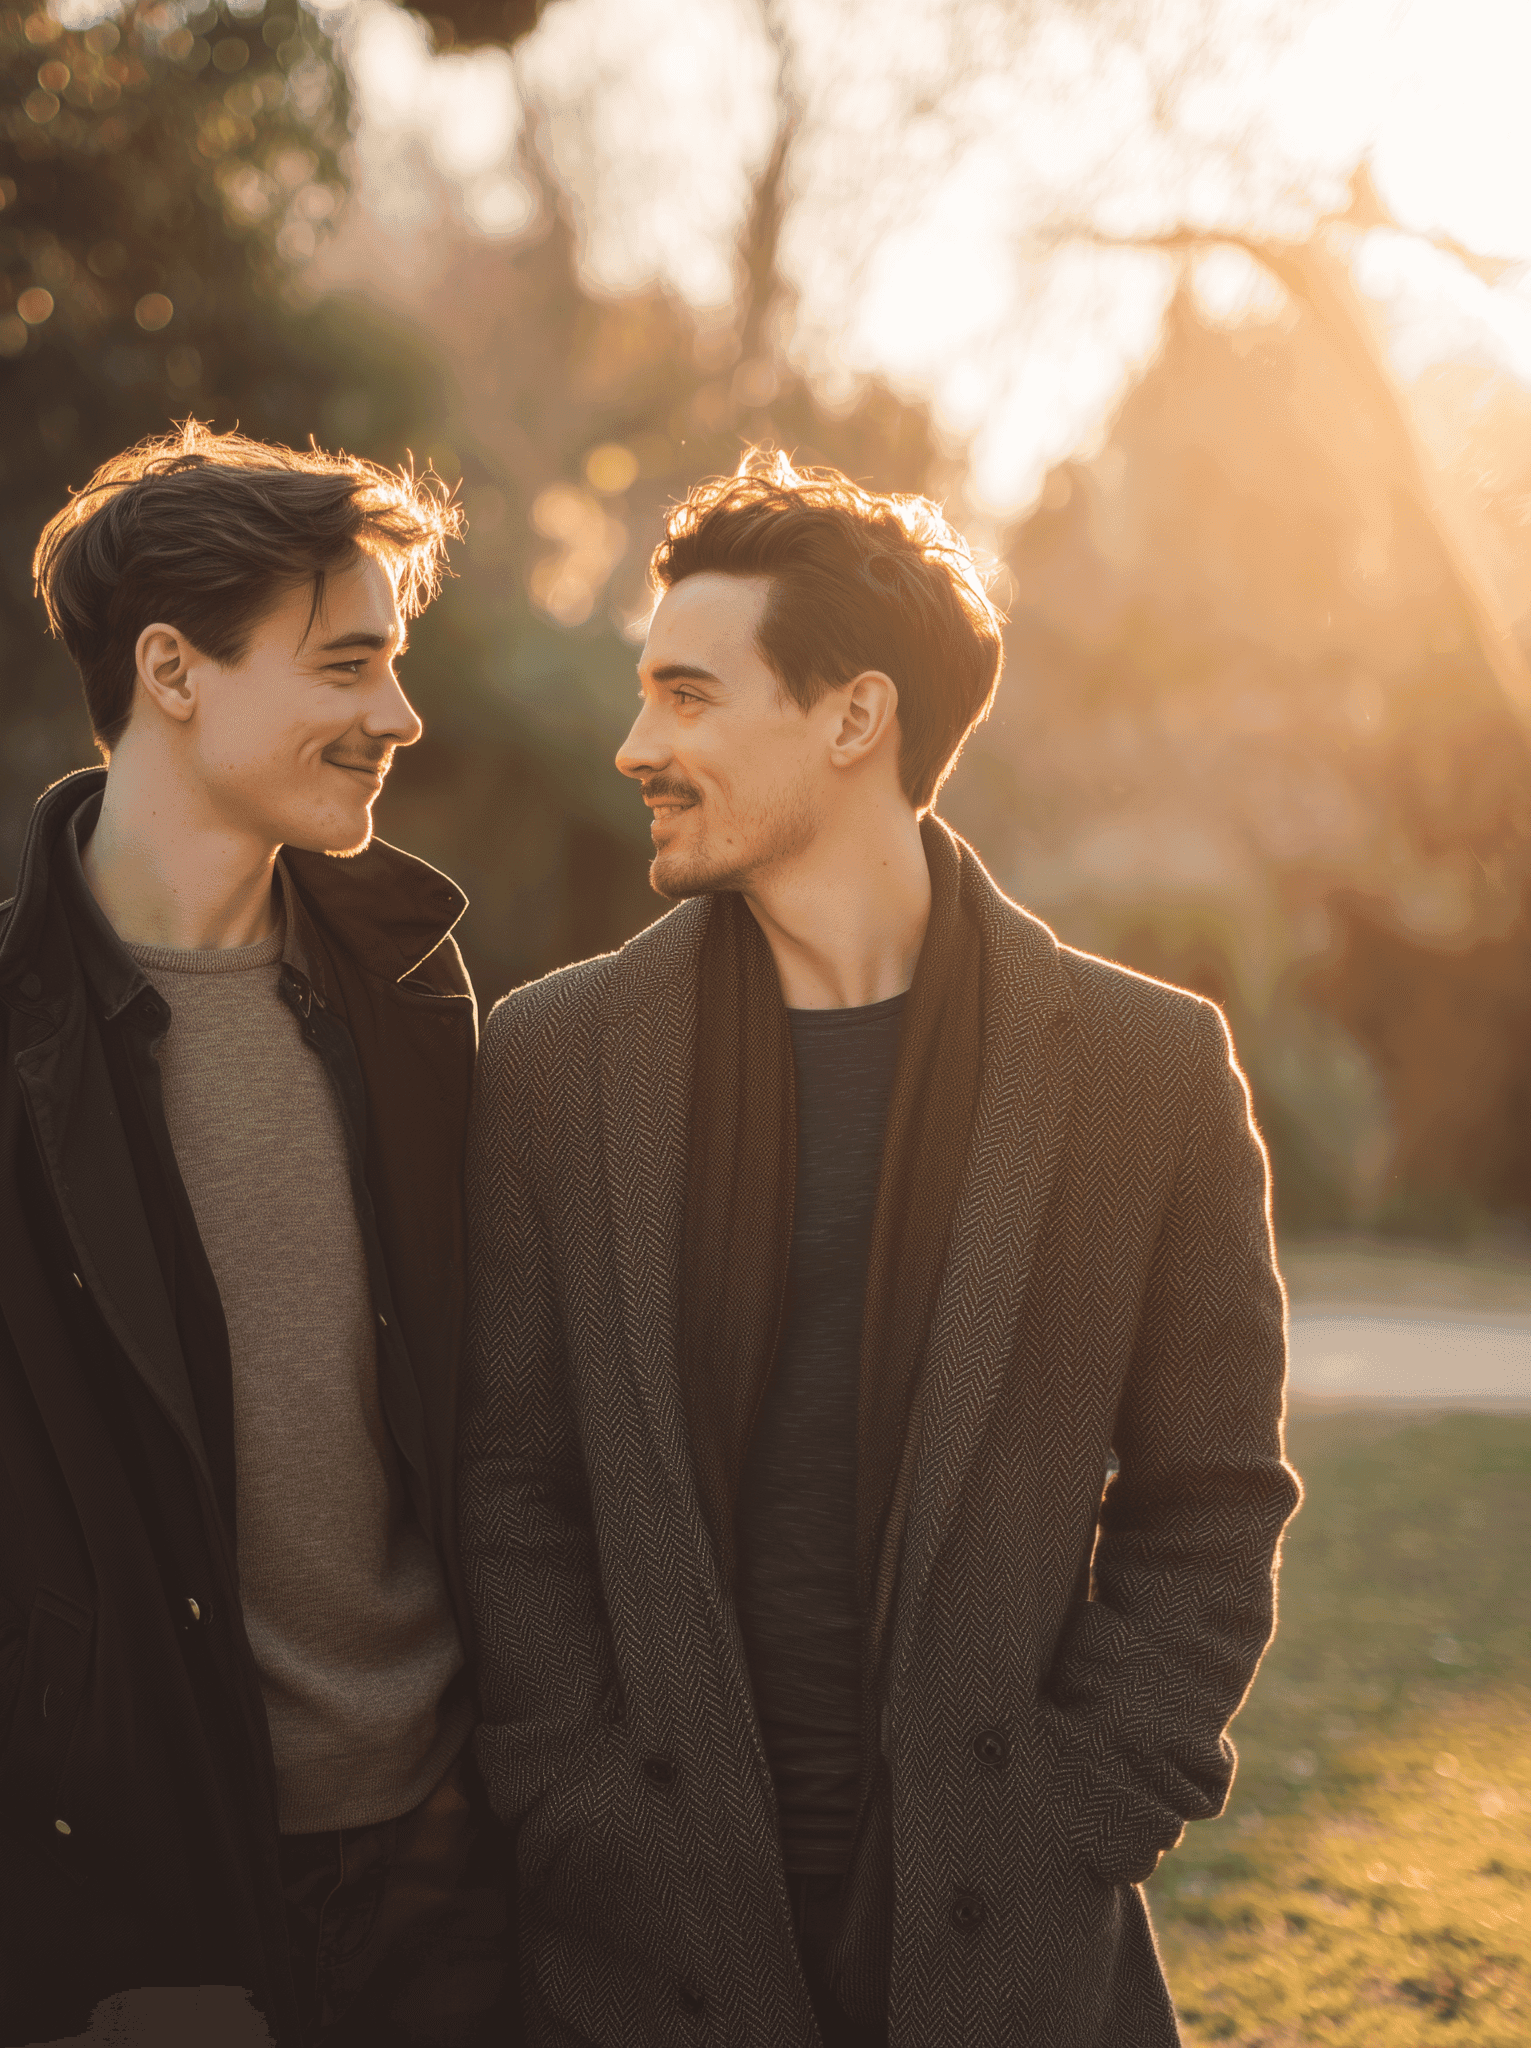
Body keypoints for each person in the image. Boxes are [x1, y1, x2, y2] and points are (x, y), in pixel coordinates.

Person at [457, 449, 1301, 2048]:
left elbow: (1213, 1499)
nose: (639, 744)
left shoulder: (1148, 1070)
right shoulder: (553, 1062)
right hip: (643, 1940)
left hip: (1010, 1949)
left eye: (690, 697)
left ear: (855, 717)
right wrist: (577, 1796)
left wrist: (1088, 1803)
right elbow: (508, 1482)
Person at [0, 424, 514, 2048]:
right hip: (109, 1878)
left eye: (396, 666)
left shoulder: (417, 996)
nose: (399, 717)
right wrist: (43, 1721)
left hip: (447, 1876)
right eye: (348, 665)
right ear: (173, 669)